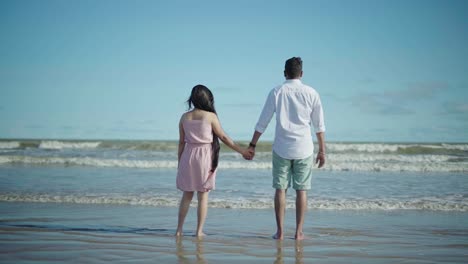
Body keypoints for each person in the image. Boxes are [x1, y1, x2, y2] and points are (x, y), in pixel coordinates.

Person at [247, 57, 326, 240]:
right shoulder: (312, 92)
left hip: (282, 147)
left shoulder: (277, 91)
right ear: (302, 74)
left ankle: (280, 232)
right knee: (302, 190)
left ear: (285, 73)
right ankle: (299, 232)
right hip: (304, 148)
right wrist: (322, 150)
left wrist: (252, 145)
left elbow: (263, 121)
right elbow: (319, 126)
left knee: (280, 189)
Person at [175, 84, 251, 237]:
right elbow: (223, 137)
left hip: (188, 156)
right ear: (207, 99)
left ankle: (179, 230)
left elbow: (182, 142)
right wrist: (242, 151)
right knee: (203, 195)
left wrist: (180, 162)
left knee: (187, 194)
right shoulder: (210, 116)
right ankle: (199, 231)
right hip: (204, 156)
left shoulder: (184, 117)